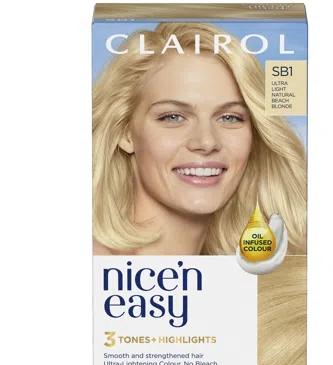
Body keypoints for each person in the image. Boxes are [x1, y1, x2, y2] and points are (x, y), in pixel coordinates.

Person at [93, 23, 306, 256]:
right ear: (124, 131)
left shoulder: (261, 266)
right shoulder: (90, 266)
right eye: (173, 117)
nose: (206, 142)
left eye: (230, 117)